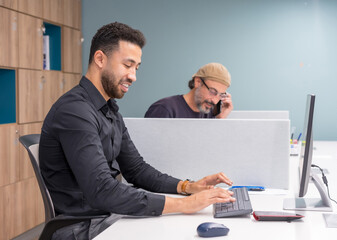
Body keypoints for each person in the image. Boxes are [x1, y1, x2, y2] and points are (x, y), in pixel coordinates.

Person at [39, 22, 235, 240]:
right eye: (127, 65)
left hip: (109, 216)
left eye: (136, 68)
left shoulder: (109, 111)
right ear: (100, 59)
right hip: (82, 227)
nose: (133, 76)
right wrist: (184, 204)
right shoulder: (74, 111)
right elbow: (102, 189)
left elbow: (137, 170)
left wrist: (188, 187)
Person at [144, 62, 233, 118]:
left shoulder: (208, 113)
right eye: (213, 92)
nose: (214, 101)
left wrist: (221, 118)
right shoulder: (165, 109)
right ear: (198, 82)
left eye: (221, 95)